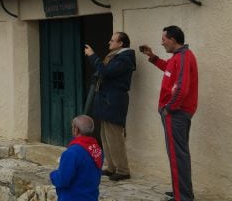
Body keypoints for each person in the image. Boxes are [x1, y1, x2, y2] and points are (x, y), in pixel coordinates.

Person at [140, 25, 198, 201]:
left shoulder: (182, 57)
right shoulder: (178, 57)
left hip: (176, 113)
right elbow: (169, 71)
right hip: (176, 113)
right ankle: (181, 192)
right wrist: (153, 57)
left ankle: (183, 197)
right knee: (178, 154)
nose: (161, 42)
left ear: (173, 40)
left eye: (164, 39)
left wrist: (169, 109)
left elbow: (181, 88)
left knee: (177, 155)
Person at [84, 32, 136, 181]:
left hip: (114, 101)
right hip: (107, 100)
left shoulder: (125, 58)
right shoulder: (115, 56)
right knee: (105, 136)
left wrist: (92, 55)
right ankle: (112, 167)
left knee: (115, 137)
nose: (109, 42)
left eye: (112, 40)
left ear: (120, 44)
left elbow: (105, 72)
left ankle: (123, 170)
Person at [50, 115, 103, 201]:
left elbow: (62, 180)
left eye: (72, 127)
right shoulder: (97, 150)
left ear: (76, 129)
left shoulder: (72, 153)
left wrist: (53, 175)